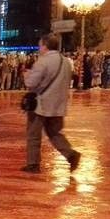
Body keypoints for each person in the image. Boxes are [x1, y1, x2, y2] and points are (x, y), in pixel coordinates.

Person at [22, 33, 81, 174]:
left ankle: (33, 164)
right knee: (55, 133)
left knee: (33, 134)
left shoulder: (43, 61)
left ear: (45, 46)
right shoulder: (65, 62)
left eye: (40, 46)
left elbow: (30, 83)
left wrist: (26, 75)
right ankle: (70, 154)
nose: (39, 49)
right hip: (59, 104)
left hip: (41, 104)